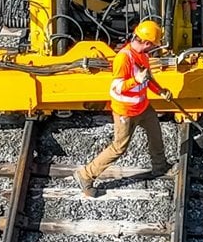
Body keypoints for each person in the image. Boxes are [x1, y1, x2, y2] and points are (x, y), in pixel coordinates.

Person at [74, 20, 174, 198]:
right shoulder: (124, 58)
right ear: (146, 42)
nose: (153, 48)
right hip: (125, 112)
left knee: (155, 134)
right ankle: (85, 175)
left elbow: (147, 78)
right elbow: (116, 87)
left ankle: (160, 167)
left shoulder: (142, 55)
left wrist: (161, 91)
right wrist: (136, 79)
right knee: (119, 148)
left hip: (143, 107)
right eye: (153, 45)